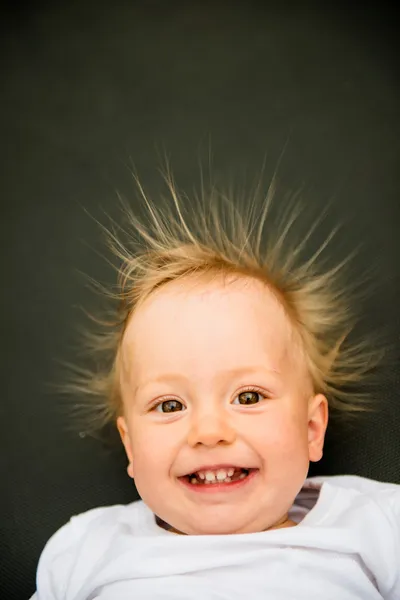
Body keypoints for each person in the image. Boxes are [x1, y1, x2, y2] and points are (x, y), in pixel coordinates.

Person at [30, 171, 400, 599]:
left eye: (248, 396)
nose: (208, 432)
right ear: (131, 447)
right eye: (169, 405)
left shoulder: (376, 525)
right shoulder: (86, 548)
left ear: (312, 429)